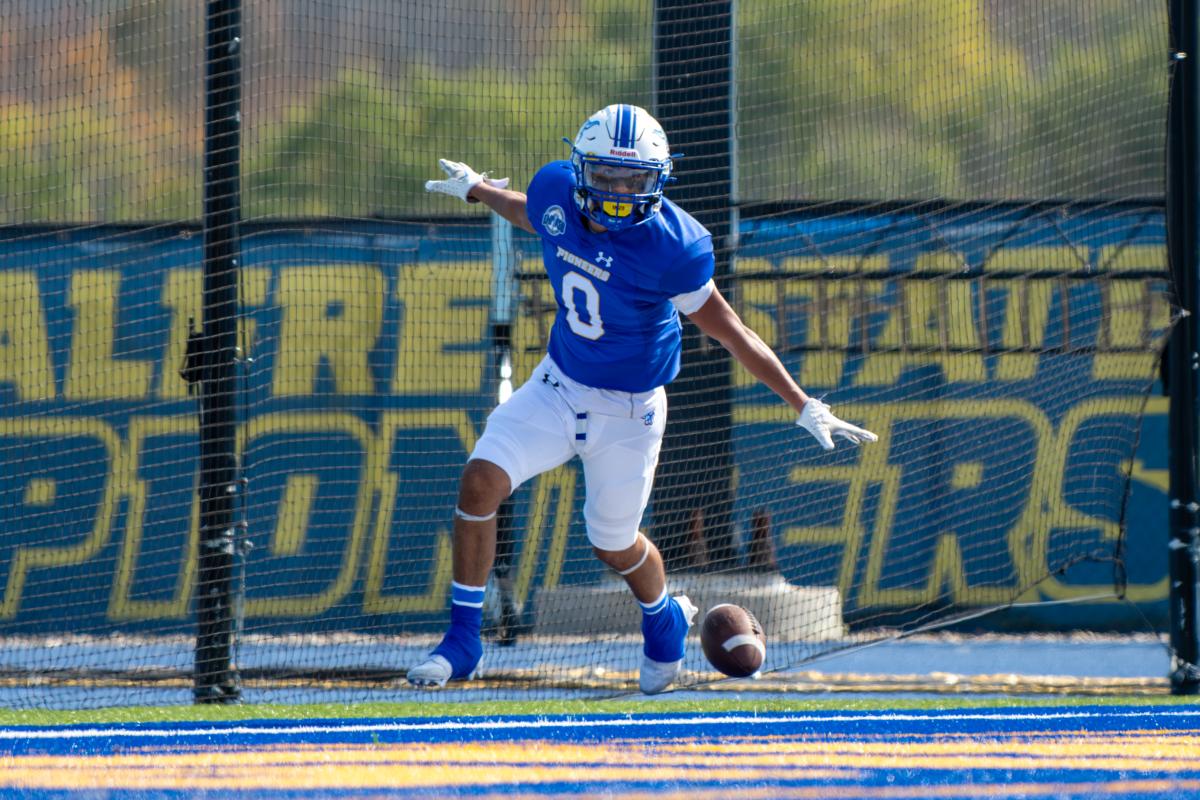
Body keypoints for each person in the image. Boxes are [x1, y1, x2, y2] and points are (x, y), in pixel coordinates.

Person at [408, 104, 877, 694]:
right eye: (605, 176)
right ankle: (462, 641)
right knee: (480, 481)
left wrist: (802, 401)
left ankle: (663, 617)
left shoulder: (673, 247)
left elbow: (733, 331)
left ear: (658, 180)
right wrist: (478, 189)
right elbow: (535, 215)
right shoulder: (556, 192)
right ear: (581, 170)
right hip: (557, 385)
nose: (617, 194)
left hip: (630, 411)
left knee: (612, 543)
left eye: (633, 181)